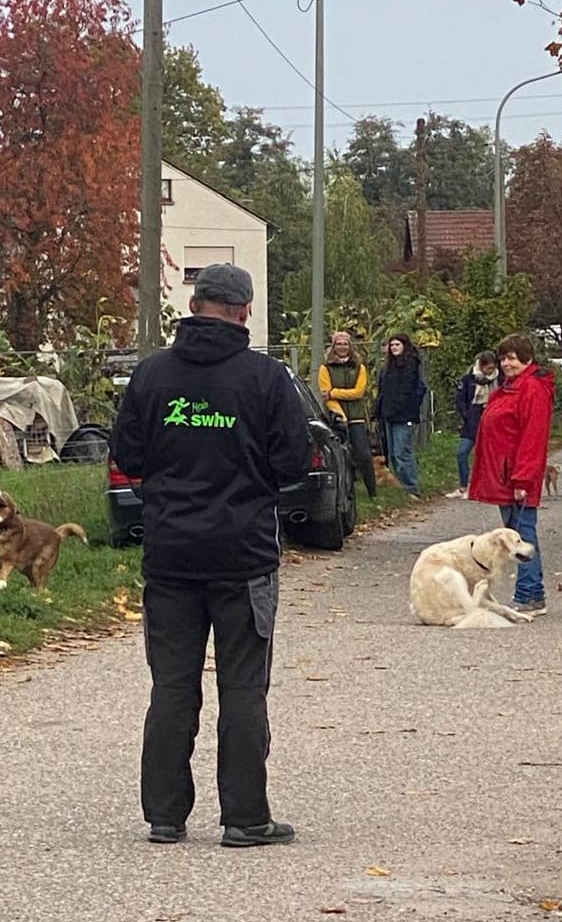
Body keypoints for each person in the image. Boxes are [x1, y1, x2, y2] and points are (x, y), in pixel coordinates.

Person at [109, 263, 310, 848]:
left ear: (194, 306)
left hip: (170, 556)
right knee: (243, 687)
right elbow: (294, 462)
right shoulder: (266, 378)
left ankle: (165, 816)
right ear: (245, 311)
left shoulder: (152, 375)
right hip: (244, 557)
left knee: (172, 686)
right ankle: (245, 818)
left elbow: (129, 456)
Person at [468, 334, 555, 616]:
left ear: (527, 358)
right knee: (516, 533)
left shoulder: (531, 389)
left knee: (521, 535)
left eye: (512, 358)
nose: (506, 363)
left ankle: (530, 593)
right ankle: (530, 592)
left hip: (517, 476)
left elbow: (533, 437)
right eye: (503, 358)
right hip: (505, 474)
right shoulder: (511, 387)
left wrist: (522, 479)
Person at [318, 331, 377, 498]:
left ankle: (372, 491)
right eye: (339, 344)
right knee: (341, 456)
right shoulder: (325, 368)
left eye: (345, 344)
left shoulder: (359, 367)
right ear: (333, 346)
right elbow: (325, 395)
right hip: (336, 417)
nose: (342, 347)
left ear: (350, 346)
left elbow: (358, 392)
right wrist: (340, 414)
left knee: (363, 454)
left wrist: (334, 392)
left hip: (357, 416)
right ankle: (344, 492)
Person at [374, 333, 424, 499]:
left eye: (397, 344)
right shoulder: (388, 367)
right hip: (388, 414)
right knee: (393, 454)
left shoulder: (410, 365)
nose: (394, 348)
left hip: (403, 415)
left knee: (402, 451)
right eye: (392, 345)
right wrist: (378, 411)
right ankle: (401, 488)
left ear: (404, 346)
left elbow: (408, 390)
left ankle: (411, 488)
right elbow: (383, 391)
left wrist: (403, 408)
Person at [445, 351, 500, 499]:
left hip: (491, 422)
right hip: (472, 422)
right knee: (462, 453)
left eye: (492, 368)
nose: (490, 371)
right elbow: (460, 399)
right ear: (481, 366)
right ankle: (463, 487)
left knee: (487, 456)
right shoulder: (468, 379)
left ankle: (486, 486)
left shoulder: (499, 380)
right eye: (488, 368)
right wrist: (467, 415)